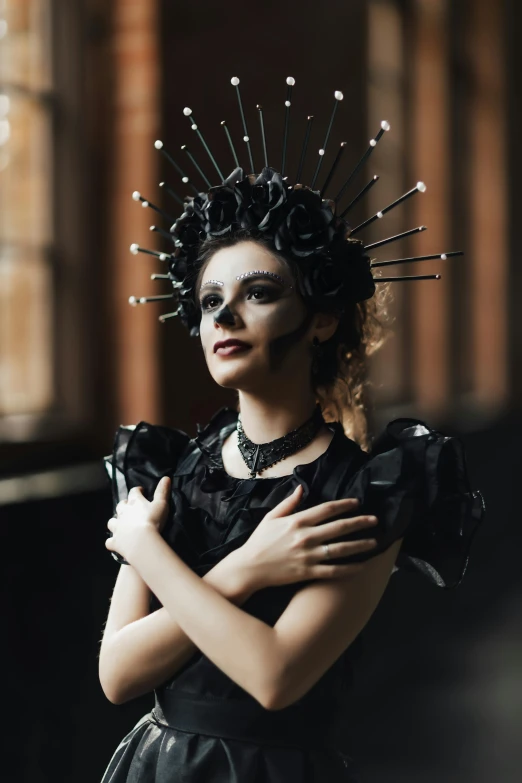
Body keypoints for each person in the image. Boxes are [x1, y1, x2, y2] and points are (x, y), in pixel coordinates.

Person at [98, 77, 485, 783]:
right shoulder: (167, 468)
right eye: (212, 299)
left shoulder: (370, 489)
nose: (224, 317)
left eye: (260, 293)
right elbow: (119, 675)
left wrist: (147, 551)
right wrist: (245, 568)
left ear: (322, 318)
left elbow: (274, 675)